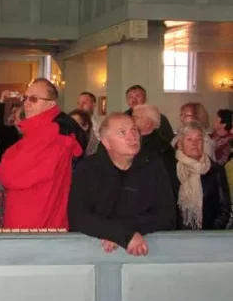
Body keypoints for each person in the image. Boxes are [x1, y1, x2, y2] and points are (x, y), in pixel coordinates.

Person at [69, 113, 176, 256]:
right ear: (107, 143)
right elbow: (78, 217)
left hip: (145, 252)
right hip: (92, 252)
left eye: (134, 130)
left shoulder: (153, 166)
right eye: (122, 132)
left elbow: (167, 216)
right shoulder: (87, 169)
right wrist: (119, 233)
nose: (132, 137)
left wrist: (123, 233)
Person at [0, 78, 83, 229]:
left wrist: (7, 161)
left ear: (51, 104)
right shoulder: (39, 132)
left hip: (37, 227)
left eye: (34, 99)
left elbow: (8, 175)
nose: (26, 103)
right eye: (25, 98)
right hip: (32, 224)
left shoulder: (51, 134)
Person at [175, 121, 230, 230]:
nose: (194, 143)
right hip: (177, 235)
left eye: (199, 139)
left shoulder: (216, 171)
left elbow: (224, 209)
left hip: (208, 233)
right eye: (189, 139)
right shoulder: (171, 170)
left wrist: (210, 233)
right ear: (180, 144)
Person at [132, 104, 178, 195]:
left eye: (135, 117)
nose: (131, 120)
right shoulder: (136, 139)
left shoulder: (160, 147)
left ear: (148, 123)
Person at [0, 90, 22, 161]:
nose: (15, 115)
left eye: (19, 113)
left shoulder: (31, 132)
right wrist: (2, 100)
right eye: (14, 112)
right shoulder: (7, 132)